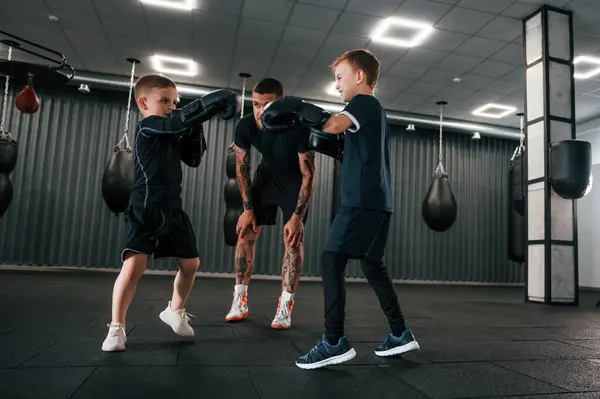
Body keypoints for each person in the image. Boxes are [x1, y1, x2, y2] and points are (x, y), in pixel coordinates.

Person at [261, 49, 420, 369]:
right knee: (373, 265)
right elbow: (343, 148)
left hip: (361, 201)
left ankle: (333, 340)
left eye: (339, 78)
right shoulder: (375, 113)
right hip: (379, 202)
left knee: (331, 259)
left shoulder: (363, 102)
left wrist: (296, 108)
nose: (336, 86)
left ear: (359, 76)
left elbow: (333, 125)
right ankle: (400, 332)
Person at [102, 73, 237, 352]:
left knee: (191, 265)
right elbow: (175, 121)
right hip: (145, 207)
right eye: (165, 100)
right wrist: (210, 102)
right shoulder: (147, 127)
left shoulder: (170, 130)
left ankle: (174, 310)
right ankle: (116, 326)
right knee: (134, 267)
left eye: (175, 102)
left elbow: (194, 158)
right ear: (143, 103)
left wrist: (196, 127)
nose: (172, 106)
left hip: (173, 209)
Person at [225, 78, 316, 330]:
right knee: (245, 233)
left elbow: (308, 174)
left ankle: (285, 306)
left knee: (292, 241)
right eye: (255, 104)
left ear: (280, 104)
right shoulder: (246, 126)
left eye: (267, 105)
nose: (260, 111)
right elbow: (242, 167)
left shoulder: (299, 129)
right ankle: (239, 300)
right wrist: (247, 209)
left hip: (293, 182)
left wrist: (297, 216)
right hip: (265, 178)